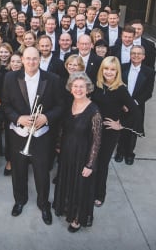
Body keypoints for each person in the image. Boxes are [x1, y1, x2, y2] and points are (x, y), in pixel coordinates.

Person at [2, 47, 64, 225]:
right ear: (22, 59)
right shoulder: (10, 78)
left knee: (42, 172)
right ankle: (20, 200)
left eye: (35, 59)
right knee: (19, 171)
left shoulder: (52, 79)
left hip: (41, 135)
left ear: (40, 60)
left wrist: (46, 117)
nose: (31, 62)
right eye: (28, 58)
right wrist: (18, 118)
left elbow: (60, 105)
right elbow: (5, 105)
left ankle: (43, 203)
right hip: (18, 134)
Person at [53, 72, 102, 232]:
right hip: (67, 153)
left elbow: (96, 141)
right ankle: (66, 208)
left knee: (81, 187)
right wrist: (59, 145)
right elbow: (63, 128)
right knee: (67, 181)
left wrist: (90, 164)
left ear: (88, 89)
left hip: (83, 154)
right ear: (70, 88)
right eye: (75, 86)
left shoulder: (94, 111)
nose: (78, 89)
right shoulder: (69, 105)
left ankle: (77, 218)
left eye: (82, 86)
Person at [91, 57, 142, 207]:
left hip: (109, 132)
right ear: (102, 70)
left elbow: (136, 111)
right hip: (92, 130)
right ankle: (88, 189)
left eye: (112, 69)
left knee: (101, 164)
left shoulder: (121, 89)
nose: (109, 72)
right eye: (106, 68)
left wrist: (121, 124)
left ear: (117, 72)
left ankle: (100, 194)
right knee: (90, 161)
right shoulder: (97, 85)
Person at [115, 45, 155, 165]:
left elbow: (148, 92)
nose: (136, 56)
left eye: (139, 54)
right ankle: (120, 151)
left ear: (143, 56)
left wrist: (132, 104)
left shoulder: (149, 72)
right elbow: (118, 86)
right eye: (133, 53)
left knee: (133, 131)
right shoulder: (122, 68)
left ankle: (129, 153)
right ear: (130, 55)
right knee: (121, 129)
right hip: (122, 105)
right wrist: (123, 103)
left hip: (137, 105)